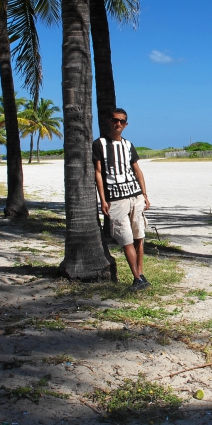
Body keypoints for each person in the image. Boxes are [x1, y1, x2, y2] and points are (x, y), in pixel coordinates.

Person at [92, 108, 151, 291]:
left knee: (139, 236)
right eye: (115, 120)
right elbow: (99, 173)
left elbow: (137, 170)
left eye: (122, 121)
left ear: (126, 124)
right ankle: (137, 278)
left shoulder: (128, 145)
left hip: (135, 195)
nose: (118, 124)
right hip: (116, 199)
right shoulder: (100, 144)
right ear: (109, 121)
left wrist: (145, 195)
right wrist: (102, 199)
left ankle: (140, 275)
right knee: (126, 238)